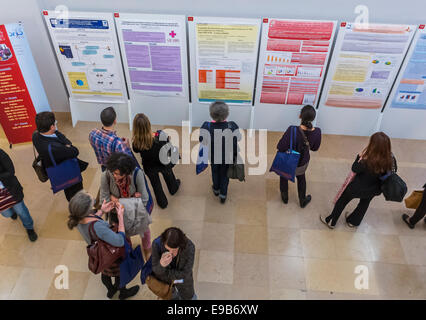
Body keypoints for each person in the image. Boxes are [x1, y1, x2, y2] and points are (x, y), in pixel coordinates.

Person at [67, 191, 140, 300]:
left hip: (100, 255)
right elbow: (120, 241)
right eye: (92, 202)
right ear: (88, 209)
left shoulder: (77, 219)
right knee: (120, 275)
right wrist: (120, 218)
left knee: (105, 274)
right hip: (112, 256)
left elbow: (89, 222)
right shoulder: (98, 227)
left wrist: (101, 211)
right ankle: (123, 292)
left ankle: (111, 290)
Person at [320, 132, 396, 228]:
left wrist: (358, 157)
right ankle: (353, 222)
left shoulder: (367, 160)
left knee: (342, 201)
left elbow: (355, 168)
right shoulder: (390, 159)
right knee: (364, 204)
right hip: (374, 189)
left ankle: (331, 221)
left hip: (356, 188)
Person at [100, 152, 152, 259]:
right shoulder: (106, 175)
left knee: (144, 231)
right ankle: (129, 249)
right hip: (117, 215)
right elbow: (103, 201)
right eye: (113, 172)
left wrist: (116, 200)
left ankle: (147, 249)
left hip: (136, 212)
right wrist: (132, 199)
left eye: (118, 174)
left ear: (127, 172)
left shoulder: (137, 174)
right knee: (124, 235)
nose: (115, 176)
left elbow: (145, 199)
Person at [32, 111, 87, 201]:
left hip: (55, 170)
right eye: (55, 123)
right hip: (68, 171)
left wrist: (66, 144)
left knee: (66, 187)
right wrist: (67, 145)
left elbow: (58, 134)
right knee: (75, 192)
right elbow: (75, 151)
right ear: (52, 126)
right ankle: (79, 209)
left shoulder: (35, 136)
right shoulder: (55, 148)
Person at [276, 105, 322, 208]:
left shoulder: (292, 130)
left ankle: (285, 198)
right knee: (301, 178)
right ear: (313, 118)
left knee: (284, 177)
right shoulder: (317, 132)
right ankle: (302, 200)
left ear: (300, 115)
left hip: (288, 162)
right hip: (302, 162)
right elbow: (315, 148)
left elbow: (281, 146)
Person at [132, 113, 180, 209]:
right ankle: (173, 188)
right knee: (169, 175)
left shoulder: (136, 142)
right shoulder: (160, 135)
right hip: (163, 162)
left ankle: (162, 203)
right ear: (148, 124)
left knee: (156, 185)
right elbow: (167, 144)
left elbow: (136, 150)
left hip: (149, 166)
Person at [199, 101, 241, 203]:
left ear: (211, 114)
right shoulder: (232, 125)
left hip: (213, 156)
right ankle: (223, 195)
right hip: (228, 157)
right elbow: (238, 138)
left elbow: (202, 140)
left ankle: (216, 189)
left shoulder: (206, 126)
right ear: (227, 114)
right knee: (225, 175)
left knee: (215, 171)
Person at [0, 148, 37, 241]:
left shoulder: (1, 153)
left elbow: (10, 171)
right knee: (6, 214)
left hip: (9, 189)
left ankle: (29, 228)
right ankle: (12, 211)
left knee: (21, 211)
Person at [151, 227, 196, 300]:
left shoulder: (190, 247)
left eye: (175, 250)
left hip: (184, 284)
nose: (171, 253)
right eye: (168, 249)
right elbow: (155, 270)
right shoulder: (156, 244)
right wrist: (161, 264)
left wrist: (165, 272)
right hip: (167, 286)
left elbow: (185, 274)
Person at [89, 106, 133, 172]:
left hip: (104, 167)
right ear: (115, 121)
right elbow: (129, 161)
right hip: (115, 170)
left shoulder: (92, 133)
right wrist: (127, 147)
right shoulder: (118, 143)